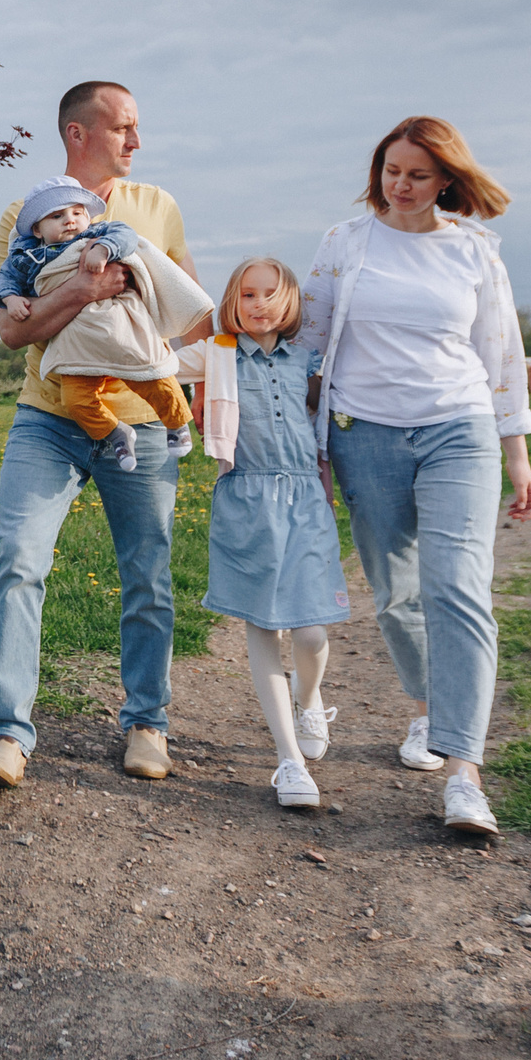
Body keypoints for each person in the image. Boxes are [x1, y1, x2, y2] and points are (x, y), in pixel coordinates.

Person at [296, 116, 531, 838]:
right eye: (391, 170)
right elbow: (307, 343)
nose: (399, 185)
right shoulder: (346, 244)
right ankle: (432, 708)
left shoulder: (473, 250)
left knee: (458, 587)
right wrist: (299, 440)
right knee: (397, 594)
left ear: (446, 182)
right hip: (362, 435)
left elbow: (500, 350)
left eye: (417, 174)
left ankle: (464, 771)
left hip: (458, 429)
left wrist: (517, 451)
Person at [0, 82, 204, 788]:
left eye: (138, 127)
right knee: (19, 559)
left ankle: (146, 723)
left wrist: (159, 371)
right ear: (79, 132)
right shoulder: (27, 212)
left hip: (140, 424)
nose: (137, 140)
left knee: (148, 575)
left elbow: (192, 314)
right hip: (48, 418)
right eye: (124, 127)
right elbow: (13, 329)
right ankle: (7, 733)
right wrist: (83, 293)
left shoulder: (157, 207)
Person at [189, 255, 349, 810]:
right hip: (246, 498)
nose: (259, 305)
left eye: (271, 295)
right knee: (261, 626)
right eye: (248, 295)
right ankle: (290, 761)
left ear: (290, 304)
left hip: (305, 499)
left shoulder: (308, 359)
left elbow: (325, 414)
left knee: (310, 634)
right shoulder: (215, 356)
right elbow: (153, 362)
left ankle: (309, 700)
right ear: (233, 302)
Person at [0, 175, 206, 473]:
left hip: (118, 333)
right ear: (37, 229)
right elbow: (7, 279)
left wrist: (103, 248)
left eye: (77, 213)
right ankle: (115, 433)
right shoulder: (26, 255)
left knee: (153, 375)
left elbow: (126, 235)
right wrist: (11, 298)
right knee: (76, 400)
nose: (70, 221)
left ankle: (176, 423)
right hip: (76, 347)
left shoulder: (97, 234)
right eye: (57, 216)